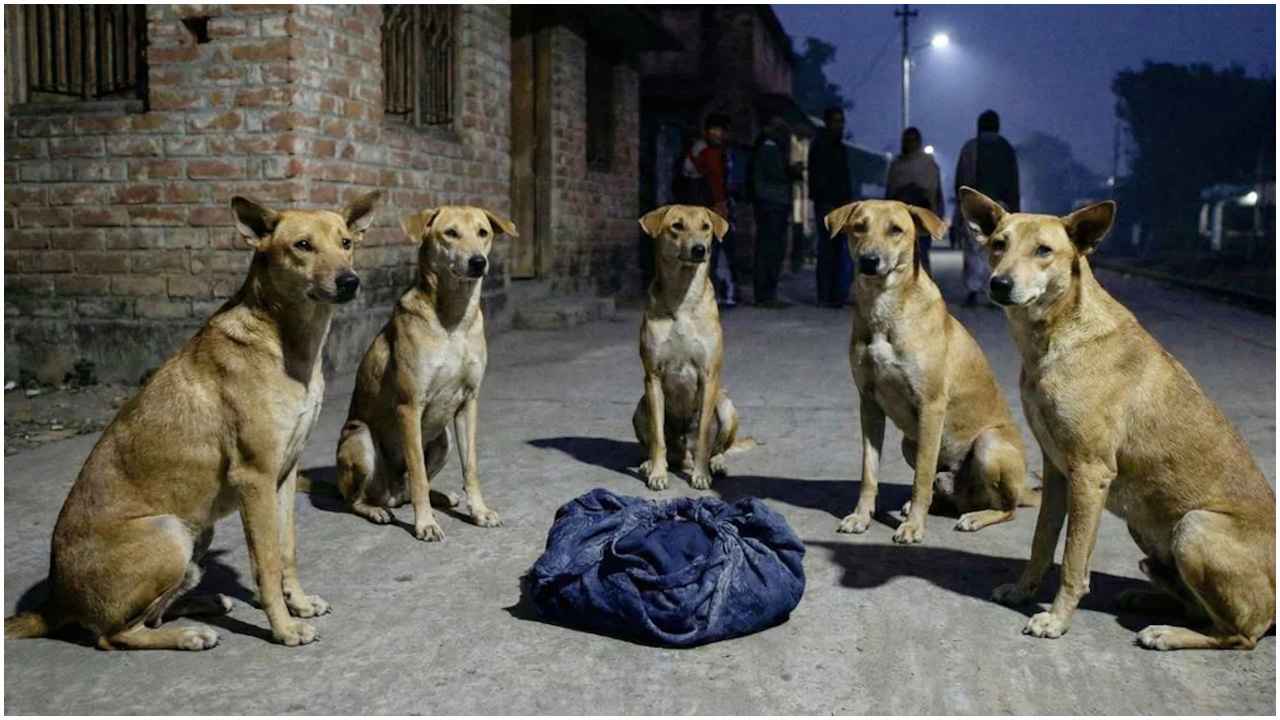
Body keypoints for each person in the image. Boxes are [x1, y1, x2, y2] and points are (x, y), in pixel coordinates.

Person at [954, 109, 1020, 306]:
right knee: (997, 249)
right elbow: (1014, 181)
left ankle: (973, 291)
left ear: (979, 125)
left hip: (975, 205)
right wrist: (1014, 209)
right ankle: (993, 292)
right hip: (1001, 207)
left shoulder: (970, 147)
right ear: (997, 126)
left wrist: (961, 205)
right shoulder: (1006, 148)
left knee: (974, 249)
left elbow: (961, 180)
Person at [682, 113, 740, 307]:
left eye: (720, 130)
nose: (718, 133)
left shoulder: (712, 151)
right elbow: (713, 180)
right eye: (714, 129)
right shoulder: (705, 152)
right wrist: (720, 204)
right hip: (707, 206)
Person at [750, 117, 800, 308]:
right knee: (770, 250)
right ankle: (765, 295)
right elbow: (776, 174)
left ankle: (766, 294)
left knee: (769, 249)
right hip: (772, 203)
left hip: (771, 203)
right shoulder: (770, 146)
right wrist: (792, 171)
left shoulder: (768, 146)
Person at [808, 106, 855, 308]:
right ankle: (825, 295)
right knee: (827, 250)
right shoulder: (819, 146)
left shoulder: (840, 148)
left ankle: (837, 295)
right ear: (827, 123)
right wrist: (822, 199)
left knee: (839, 251)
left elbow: (844, 179)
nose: (840, 125)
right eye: (836, 121)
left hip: (840, 206)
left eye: (841, 121)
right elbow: (816, 178)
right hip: (826, 205)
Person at [885, 127, 945, 276]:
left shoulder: (927, 163)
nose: (909, 144)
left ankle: (922, 288)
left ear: (918, 142)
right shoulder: (897, 165)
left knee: (920, 255)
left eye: (912, 141)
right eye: (906, 141)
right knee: (899, 257)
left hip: (921, 217)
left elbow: (935, 192)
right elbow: (890, 193)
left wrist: (936, 217)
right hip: (900, 217)